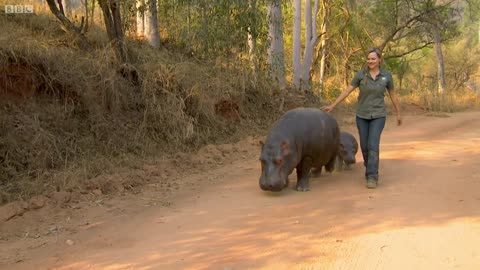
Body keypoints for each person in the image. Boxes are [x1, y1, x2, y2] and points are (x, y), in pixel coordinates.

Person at [321, 47, 402, 189]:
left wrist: (398, 113)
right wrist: (333, 105)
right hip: (362, 116)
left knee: (373, 145)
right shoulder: (361, 75)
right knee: (364, 146)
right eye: (368, 59)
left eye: (373, 59)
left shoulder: (386, 76)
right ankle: (369, 163)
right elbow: (348, 90)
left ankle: (372, 176)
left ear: (379, 60)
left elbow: (393, 95)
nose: (370, 61)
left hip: (378, 115)